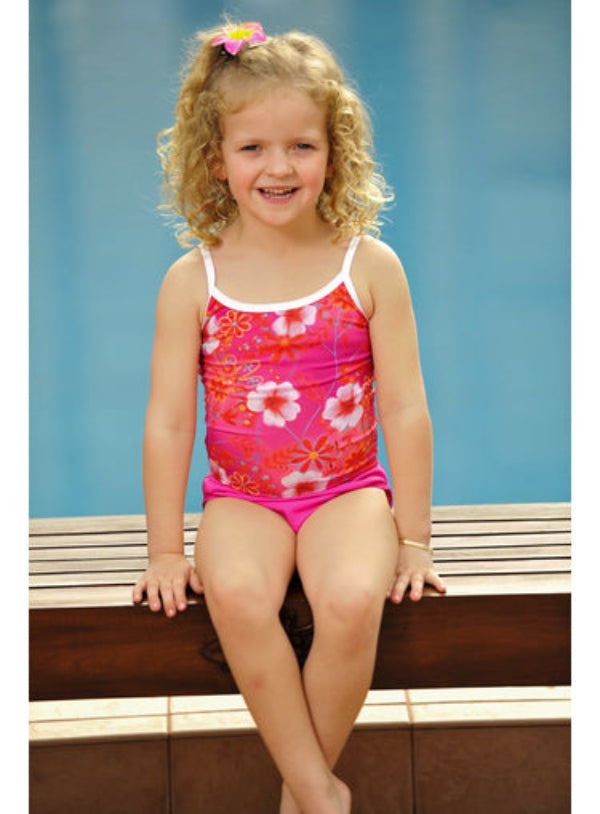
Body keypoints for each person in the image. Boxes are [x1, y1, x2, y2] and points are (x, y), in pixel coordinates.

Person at [133, 20, 446, 814]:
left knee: (348, 601)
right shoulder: (192, 280)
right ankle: (320, 792)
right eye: (253, 149)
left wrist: (412, 539)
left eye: (302, 146)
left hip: (348, 491)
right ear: (215, 159)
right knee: (236, 596)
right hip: (243, 497)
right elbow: (170, 423)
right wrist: (166, 551)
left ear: (334, 151)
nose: (279, 167)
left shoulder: (368, 265)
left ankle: (297, 797)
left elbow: (406, 407)